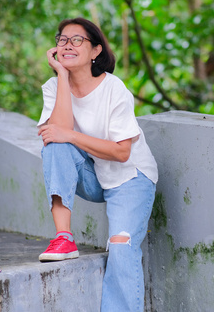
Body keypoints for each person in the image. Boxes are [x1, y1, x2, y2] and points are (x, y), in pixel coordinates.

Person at [36, 17, 158, 312]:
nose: (67, 45)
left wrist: (69, 134)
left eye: (77, 40)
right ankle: (63, 238)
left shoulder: (113, 88)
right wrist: (63, 78)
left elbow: (121, 152)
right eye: (62, 39)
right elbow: (58, 136)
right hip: (95, 176)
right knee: (55, 144)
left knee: (120, 245)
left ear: (95, 51)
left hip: (131, 178)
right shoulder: (53, 86)